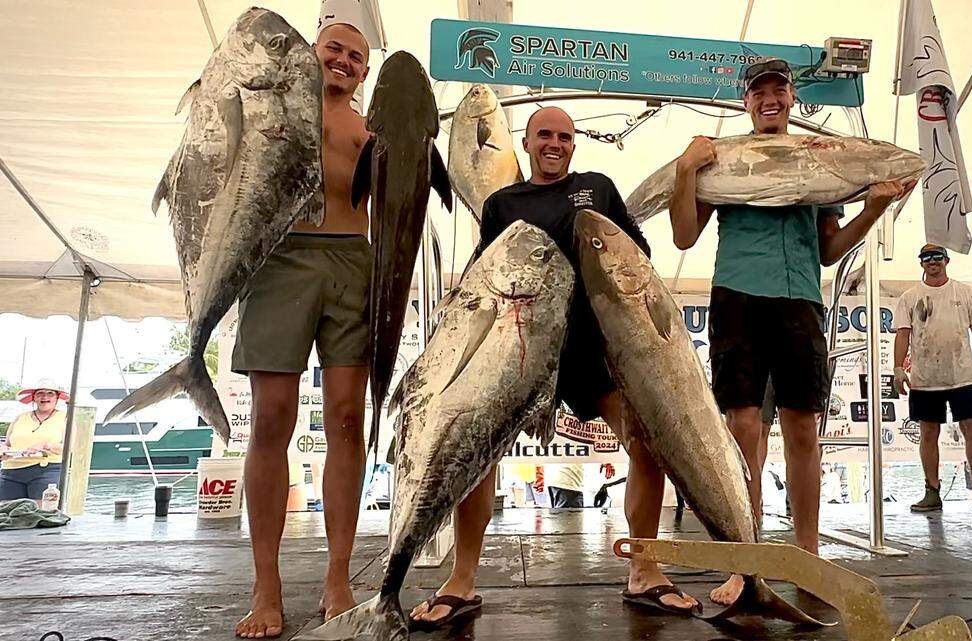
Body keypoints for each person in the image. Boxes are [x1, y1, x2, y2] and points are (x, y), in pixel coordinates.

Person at [409, 106, 701, 628]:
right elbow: (485, 274)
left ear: (573, 144)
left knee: (648, 447)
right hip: (520, 354)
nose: (555, 143)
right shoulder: (502, 203)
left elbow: (637, 256)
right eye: (544, 134)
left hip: (594, 349)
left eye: (564, 136)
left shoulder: (599, 188)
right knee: (476, 460)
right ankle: (462, 579)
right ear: (525, 142)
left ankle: (645, 569)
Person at [667, 57, 913, 605]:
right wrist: (686, 172)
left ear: (792, 98)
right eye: (759, 92)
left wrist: (871, 210)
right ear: (746, 102)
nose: (770, 99)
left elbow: (828, 250)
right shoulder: (722, 160)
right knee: (745, 429)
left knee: (804, 430)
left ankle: (807, 557)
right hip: (738, 298)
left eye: (779, 89)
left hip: (800, 299)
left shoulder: (819, 162)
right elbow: (684, 236)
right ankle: (744, 558)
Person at [231, 20, 372, 639]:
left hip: (353, 259)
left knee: (347, 416)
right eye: (334, 49)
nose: (343, 60)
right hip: (279, 256)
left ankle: (338, 574)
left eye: (356, 56)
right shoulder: (270, 104)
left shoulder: (373, 129)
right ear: (312, 54)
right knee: (272, 416)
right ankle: (267, 585)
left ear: (366, 71)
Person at [893, 244, 972, 515]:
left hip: (964, 375)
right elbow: (902, 333)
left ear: (946, 260)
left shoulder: (965, 292)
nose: (932, 262)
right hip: (925, 378)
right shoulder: (910, 297)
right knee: (928, 433)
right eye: (925, 257)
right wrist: (898, 367)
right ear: (921, 263)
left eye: (936, 257)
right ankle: (931, 491)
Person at [0, 378, 69, 504]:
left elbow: (69, 448)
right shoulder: (20, 418)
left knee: (43, 514)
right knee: (7, 514)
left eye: (50, 393)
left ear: (57, 398)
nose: (44, 397)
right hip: (10, 472)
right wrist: (3, 449)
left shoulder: (65, 418)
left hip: (46, 471)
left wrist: (46, 445)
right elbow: (7, 444)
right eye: (40, 393)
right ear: (34, 397)